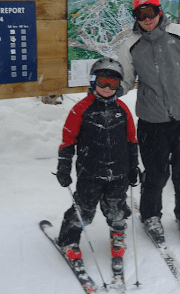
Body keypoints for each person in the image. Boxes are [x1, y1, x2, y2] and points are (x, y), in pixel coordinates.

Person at [117, 0, 180, 243]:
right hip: (151, 120)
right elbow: (125, 80)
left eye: (151, 12)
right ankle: (150, 216)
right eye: (140, 14)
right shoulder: (131, 45)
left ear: (159, 11)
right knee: (156, 173)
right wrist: (108, 93)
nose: (147, 18)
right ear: (135, 16)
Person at [55, 57, 140, 262]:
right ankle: (69, 239)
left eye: (113, 84)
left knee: (116, 208)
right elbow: (68, 140)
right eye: (103, 82)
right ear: (93, 81)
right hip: (90, 172)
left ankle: (117, 235)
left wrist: (133, 166)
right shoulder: (81, 109)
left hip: (118, 172)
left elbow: (131, 139)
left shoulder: (123, 110)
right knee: (83, 208)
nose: (107, 88)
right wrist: (64, 167)